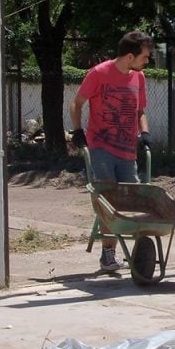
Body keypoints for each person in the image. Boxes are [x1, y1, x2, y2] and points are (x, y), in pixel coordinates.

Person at [69, 31, 153, 271]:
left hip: (127, 150)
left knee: (134, 199)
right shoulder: (99, 74)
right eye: (145, 57)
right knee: (108, 198)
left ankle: (138, 254)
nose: (146, 61)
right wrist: (77, 131)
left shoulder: (139, 78)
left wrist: (144, 134)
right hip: (102, 147)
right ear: (130, 56)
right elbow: (76, 103)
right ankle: (108, 253)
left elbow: (140, 111)